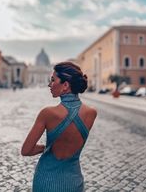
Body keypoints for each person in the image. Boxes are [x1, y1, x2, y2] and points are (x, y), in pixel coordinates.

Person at [21, 62, 97, 192]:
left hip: (46, 180)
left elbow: (26, 150)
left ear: (65, 86)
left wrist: (46, 148)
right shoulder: (91, 113)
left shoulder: (48, 113)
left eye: (52, 80)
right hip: (74, 181)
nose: (49, 84)